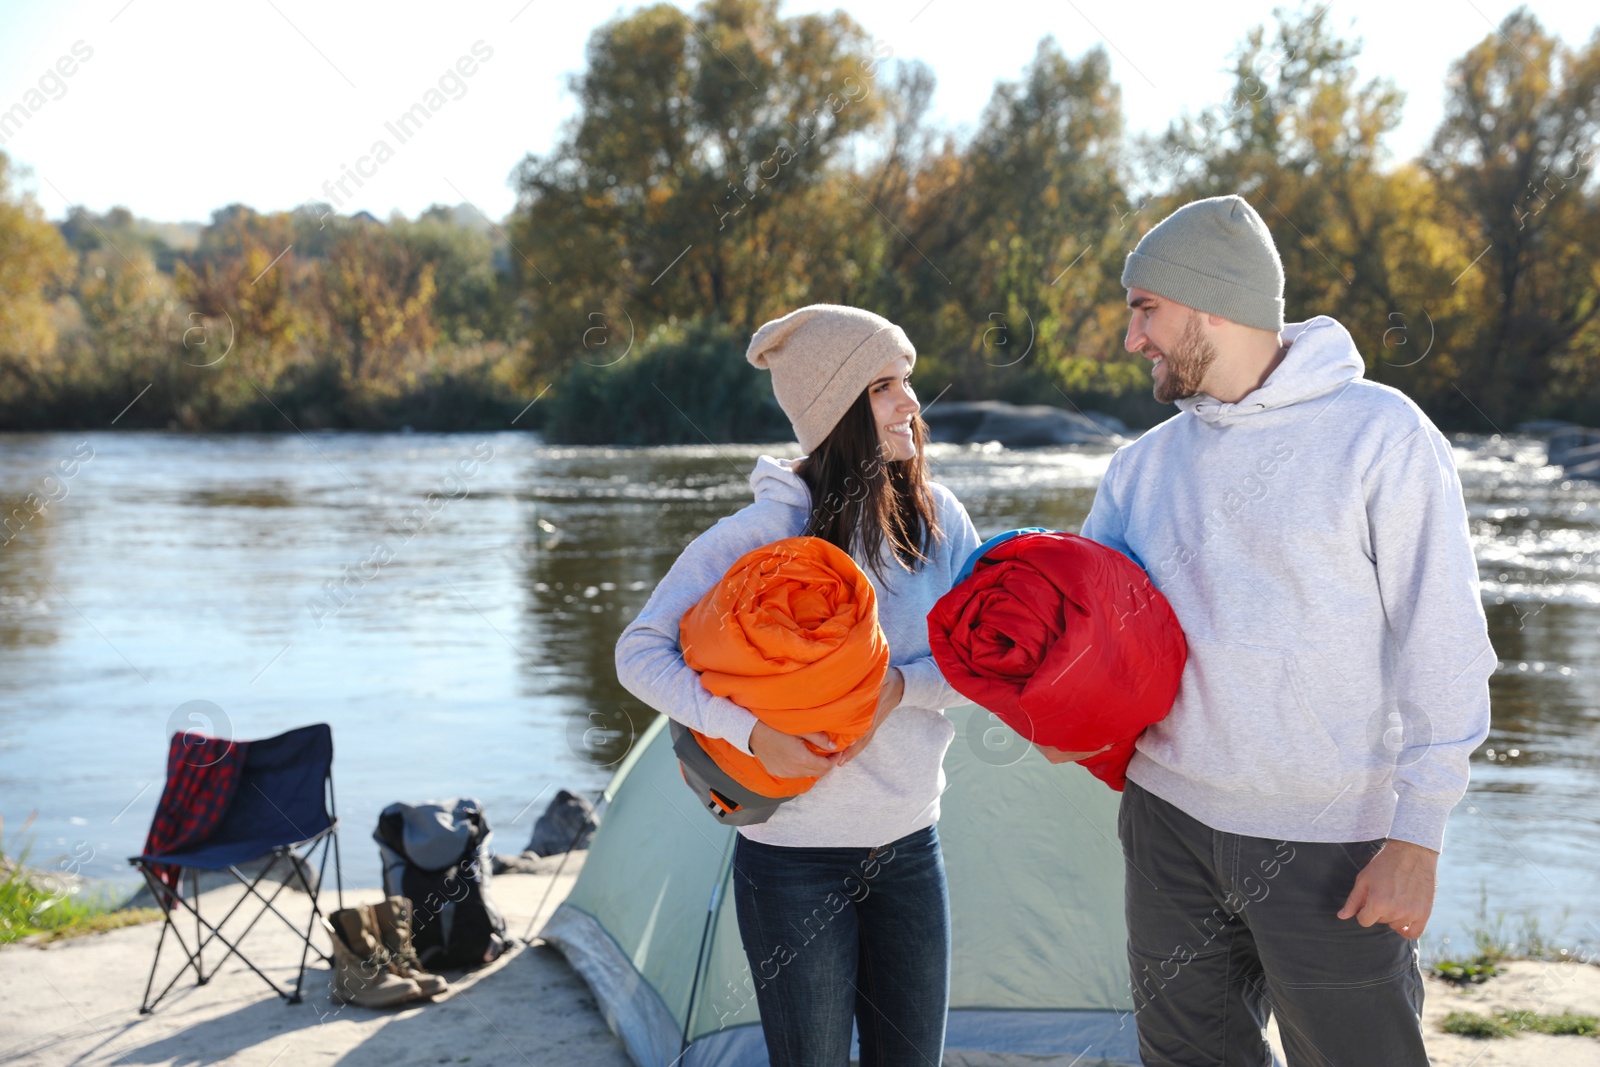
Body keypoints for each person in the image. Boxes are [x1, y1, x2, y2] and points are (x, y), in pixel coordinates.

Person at [1066, 194, 1493, 1066]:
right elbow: (1091, 646)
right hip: (1167, 825)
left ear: (1211, 304)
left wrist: (1419, 834)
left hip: (1331, 841)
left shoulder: (1382, 436)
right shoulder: (1139, 469)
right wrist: (1053, 709)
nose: (1131, 336)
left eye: (1145, 308)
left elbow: (1444, 643)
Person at [615, 304, 982, 1067]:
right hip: (792, 858)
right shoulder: (761, 535)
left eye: (906, 380)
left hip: (910, 845)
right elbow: (640, 652)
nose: (911, 402)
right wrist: (751, 733)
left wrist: (899, 690)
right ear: (837, 410)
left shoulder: (936, 519)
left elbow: (979, 661)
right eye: (884, 386)